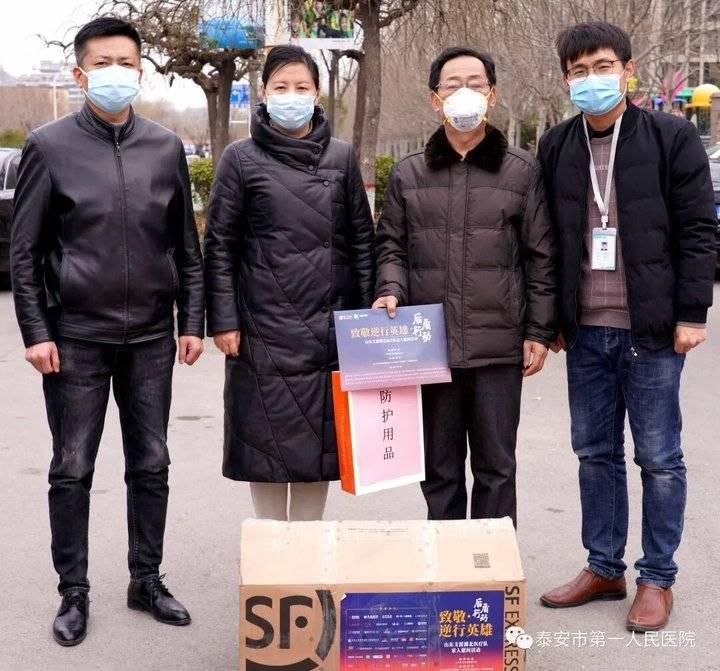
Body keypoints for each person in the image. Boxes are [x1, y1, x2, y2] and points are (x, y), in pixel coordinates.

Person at [10, 17, 204, 646]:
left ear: (140, 70)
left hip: (150, 336)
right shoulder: (48, 146)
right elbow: (25, 251)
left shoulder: (165, 148)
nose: (116, 72)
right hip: (75, 337)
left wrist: (191, 322)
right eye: (103, 63)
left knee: (152, 462)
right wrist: (36, 330)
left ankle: (146, 579)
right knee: (72, 466)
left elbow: (186, 247)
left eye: (126, 61)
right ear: (80, 73)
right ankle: (74, 592)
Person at [537, 22, 717, 632]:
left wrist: (692, 313)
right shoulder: (556, 144)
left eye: (603, 66)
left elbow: (698, 230)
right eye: (579, 71)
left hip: (653, 332)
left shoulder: (671, 136)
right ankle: (603, 567)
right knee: (594, 453)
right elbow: (545, 241)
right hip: (585, 330)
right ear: (566, 79)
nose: (591, 79)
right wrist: (550, 318)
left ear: (628, 70)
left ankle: (657, 577)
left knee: (659, 458)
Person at [373, 47, 557, 524]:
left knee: (496, 468)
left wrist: (538, 331)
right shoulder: (409, 172)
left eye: (475, 83)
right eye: (452, 84)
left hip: (498, 348)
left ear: (492, 95)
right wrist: (390, 289)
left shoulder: (521, 170)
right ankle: (445, 560)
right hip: (427, 346)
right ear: (435, 99)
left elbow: (540, 256)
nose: (464, 92)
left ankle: (491, 563)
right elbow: (391, 246)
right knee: (439, 470)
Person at [204, 45, 374, 522]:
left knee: (319, 446)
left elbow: (362, 242)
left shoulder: (341, 157)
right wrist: (224, 319)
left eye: (301, 87)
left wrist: (366, 323)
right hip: (261, 331)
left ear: (317, 94)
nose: (291, 95)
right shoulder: (240, 158)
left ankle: (306, 550)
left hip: (328, 330)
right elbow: (219, 246)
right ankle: (271, 551)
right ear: (263, 93)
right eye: (281, 86)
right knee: (263, 443)